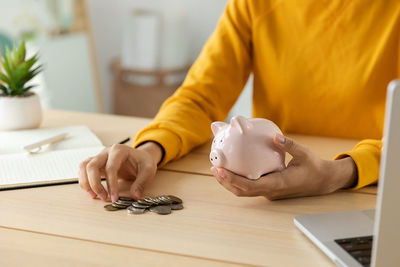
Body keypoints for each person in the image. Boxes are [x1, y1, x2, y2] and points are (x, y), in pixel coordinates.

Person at [79, 0, 393, 202]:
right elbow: (199, 98)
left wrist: (338, 173)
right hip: (273, 201)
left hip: (378, 194)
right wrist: (150, 148)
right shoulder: (253, 4)